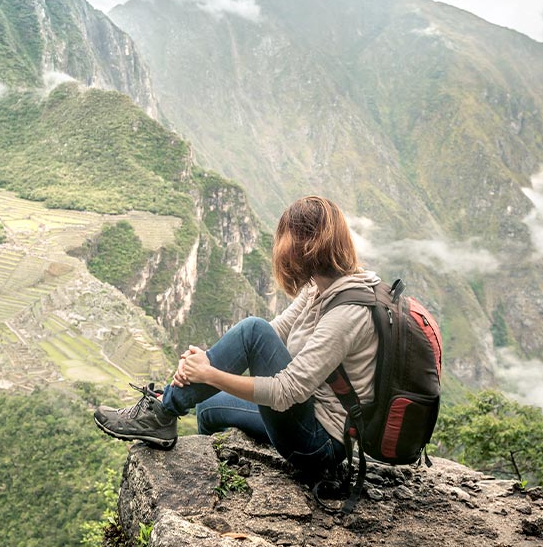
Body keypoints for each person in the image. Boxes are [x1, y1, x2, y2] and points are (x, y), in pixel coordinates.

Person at [93, 195, 380, 474]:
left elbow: (286, 391)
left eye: (288, 240)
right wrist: (204, 363)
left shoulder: (349, 311)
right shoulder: (318, 289)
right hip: (305, 415)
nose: (282, 250)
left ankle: (163, 411)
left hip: (320, 443)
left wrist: (208, 374)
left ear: (309, 245)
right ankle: (211, 473)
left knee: (252, 330)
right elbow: (275, 334)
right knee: (206, 406)